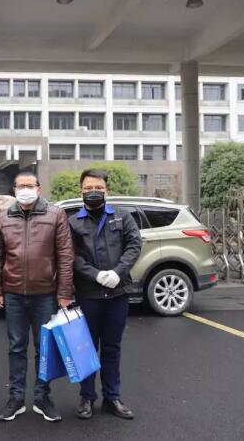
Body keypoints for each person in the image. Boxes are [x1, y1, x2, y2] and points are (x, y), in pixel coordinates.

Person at [0, 171, 74, 422]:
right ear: (14, 190)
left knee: (44, 348)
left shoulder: (56, 214)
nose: (25, 189)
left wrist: (65, 292)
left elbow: (65, 255)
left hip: (46, 294)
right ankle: (16, 398)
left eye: (30, 185)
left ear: (39, 188)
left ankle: (42, 397)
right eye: (20, 186)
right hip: (13, 293)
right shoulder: (3, 217)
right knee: (16, 347)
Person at [68, 168, 142, 421]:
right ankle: (87, 397)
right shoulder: (73, 222)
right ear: (81, 191)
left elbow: (134, 245)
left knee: (112, 348)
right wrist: (95, 274)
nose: (93, 192)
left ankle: (112, 397)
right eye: (88, 188)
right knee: (86, 349)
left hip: (117, 294)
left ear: (106, 190)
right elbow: (71, 255)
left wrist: (118, 272)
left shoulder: (122, 217)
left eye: (98, 188)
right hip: (88, 295)